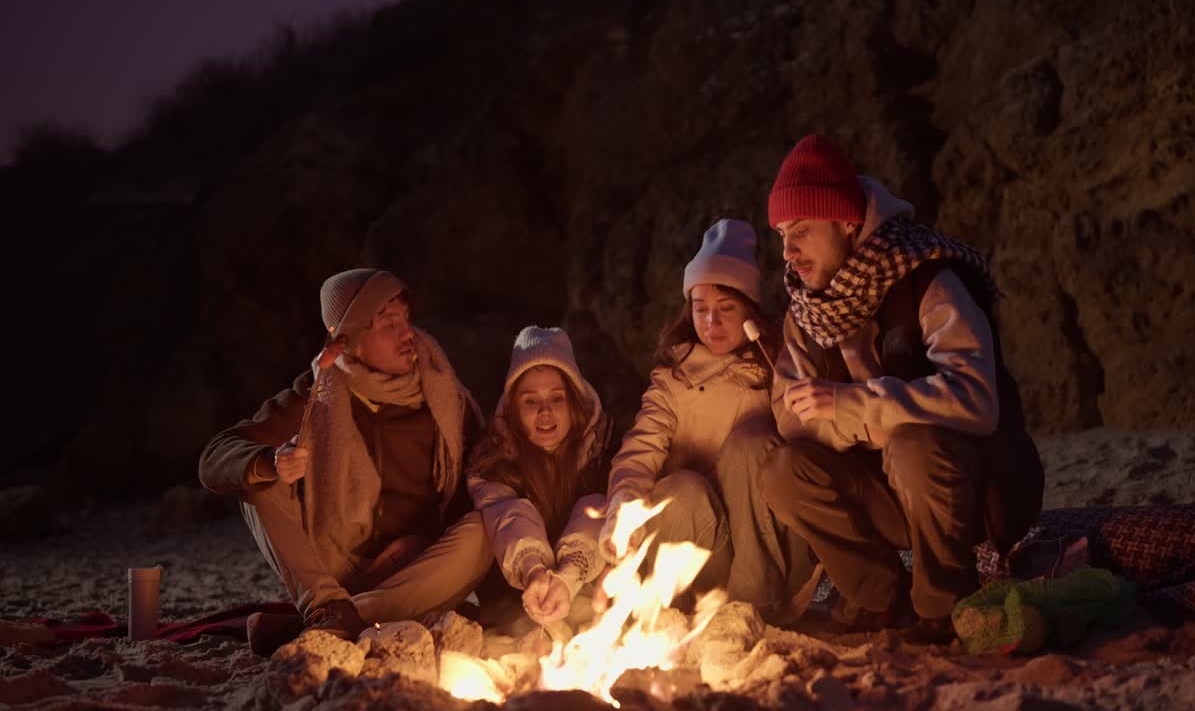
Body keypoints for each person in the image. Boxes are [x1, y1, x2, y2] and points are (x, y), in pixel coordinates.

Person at [759, 135, 1044, 643]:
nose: (788, 251)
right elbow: (789, 416)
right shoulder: (807, 310)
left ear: (846, 223)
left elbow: (977, 400)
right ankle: (878, 597)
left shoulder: (926, 276)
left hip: (975, 493)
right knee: (782, 470)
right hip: (886, 493)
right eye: (782, 234)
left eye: (801, 231)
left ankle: (942, 604)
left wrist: (851, 406)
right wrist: (852, 423)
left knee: (912, 443)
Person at [199, 268, 490, 655]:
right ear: (348, 340)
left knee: (486, 525)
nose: (407, 334)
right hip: (335, 566)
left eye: (405, 319)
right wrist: (270, 461)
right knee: (257, 479)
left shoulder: (443, 395)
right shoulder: (317, 395)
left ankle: (337, 620)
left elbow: (480, 479)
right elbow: (215, 457)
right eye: (388, 324)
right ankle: (327, 606)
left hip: (417, 568)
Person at [601, 219, 814, 618]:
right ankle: (697, 611)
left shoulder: (779, 365)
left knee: (751, 442)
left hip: (771, 547)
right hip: (706, 549)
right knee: (680, 488)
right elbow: (641, 448)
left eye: (726, 309)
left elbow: (806, 439)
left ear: (749, 309)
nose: (712, 323)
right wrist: (623, 509)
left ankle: (756, 605)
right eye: (701, 309)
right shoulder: (673, 378)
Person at [465, 327, 612, 631]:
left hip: (589, 585)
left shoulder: (603, 451)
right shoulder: (494, 461)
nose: (545, 411)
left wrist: (568, 576)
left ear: (574, 403)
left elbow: (598, 509)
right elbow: (508, 513)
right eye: (531, 402)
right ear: (513, 410)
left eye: (557, 399)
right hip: (518, 595)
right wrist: (534, 571)